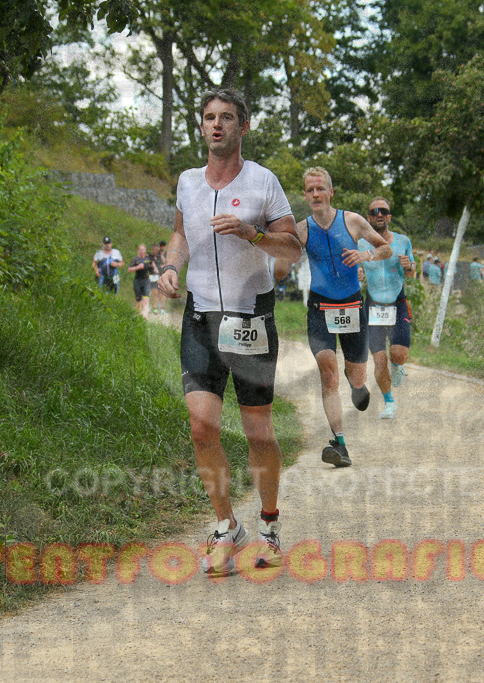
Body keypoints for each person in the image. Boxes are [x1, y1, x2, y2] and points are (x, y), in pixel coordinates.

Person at [157, 88, 301, 576]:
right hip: (200, 315)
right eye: (208, 118)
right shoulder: (188, 182)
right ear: (201, 127)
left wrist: (252, 233)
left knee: (258, 430)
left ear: (243, 126)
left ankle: (270, 528)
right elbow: (179, 233)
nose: (216, 125)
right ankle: (226, 527)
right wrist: (172, 266)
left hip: (250, 318)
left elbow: (294, 249)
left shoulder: (264, 183)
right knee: (202, 426)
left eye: (226, 118)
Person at [288, 167, 391, 467]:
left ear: (331, 192)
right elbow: (283, 256)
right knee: (328, 371)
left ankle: (357, 384)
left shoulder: (353, 221)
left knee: (355, 375)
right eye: (310, 190)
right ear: (306, 196)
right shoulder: (301, 229)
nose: (316, 194)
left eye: (320, 189)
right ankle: (340, 443)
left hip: (351, 305)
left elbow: (385, 248)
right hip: (320, 307)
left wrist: (366, 256)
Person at [358, 197, 414, 420]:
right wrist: (358, 276)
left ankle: (398, 365)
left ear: (389, 216)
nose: (379, 214)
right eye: (374, 212)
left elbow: (411, 272)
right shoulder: (361, 243)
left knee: (398, 354)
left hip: (398, 304)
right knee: (379, 361)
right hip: (373, 307)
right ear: (369, 217)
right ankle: (389, 402)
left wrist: (409, 266)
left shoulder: (402, 241)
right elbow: (355, 273)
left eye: (384, 211)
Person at [128, 243, 153, 318]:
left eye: (143, 249)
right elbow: (129, 270)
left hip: (146, 281)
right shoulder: (135, 259)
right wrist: (137, 267)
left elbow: (153, 267)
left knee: (146, 298)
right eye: (140, 249)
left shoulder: (148, 259)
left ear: (145, 250)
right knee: (139, 300)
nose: (142, 251)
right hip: (137, 281)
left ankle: (145, 315)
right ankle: (139, 315)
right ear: (138, 250)